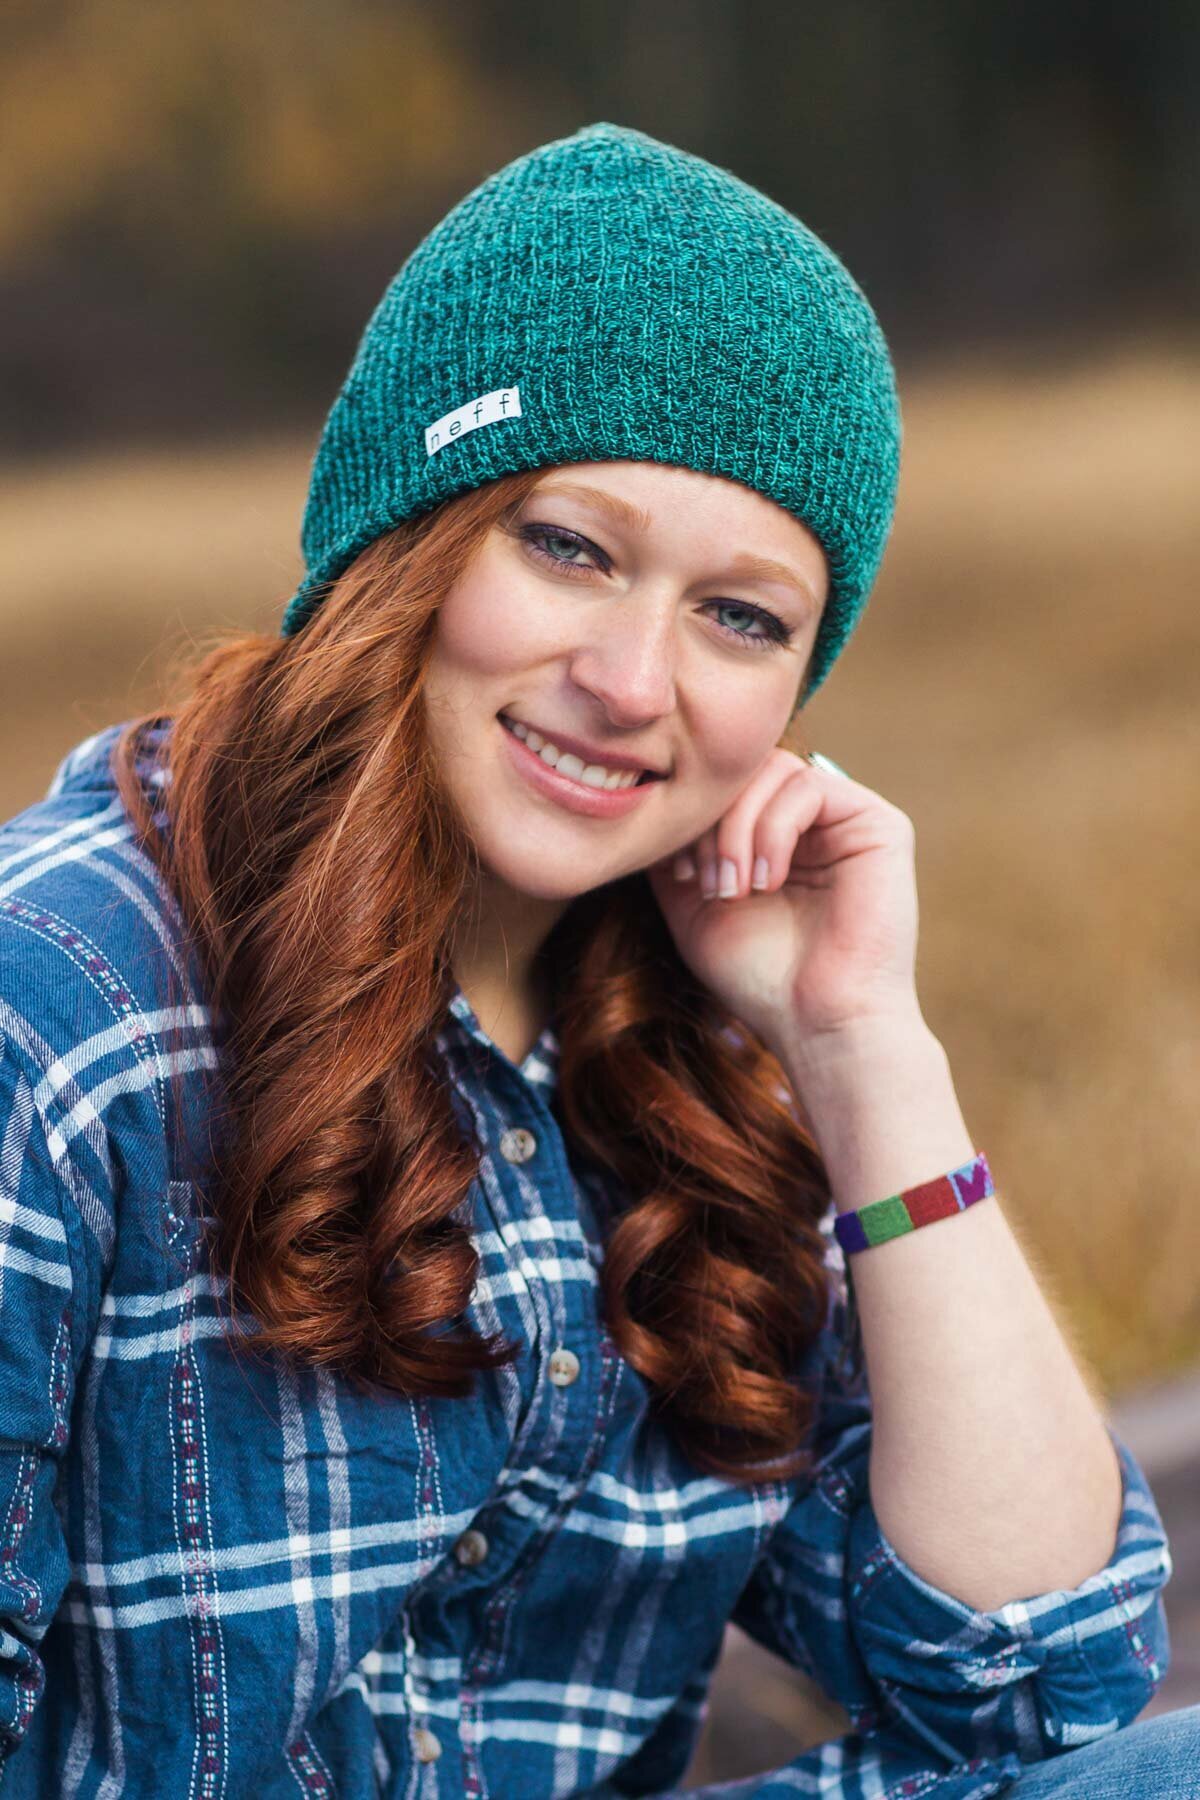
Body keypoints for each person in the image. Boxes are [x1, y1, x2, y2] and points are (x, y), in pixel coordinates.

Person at [0, 120, 1190, 1798]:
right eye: (568, 547)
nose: (635, 683)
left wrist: (865, 1050)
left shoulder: (701, 1050)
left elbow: (1038, 1690)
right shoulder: (61, 1004)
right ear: (402, 540)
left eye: (742, 616)